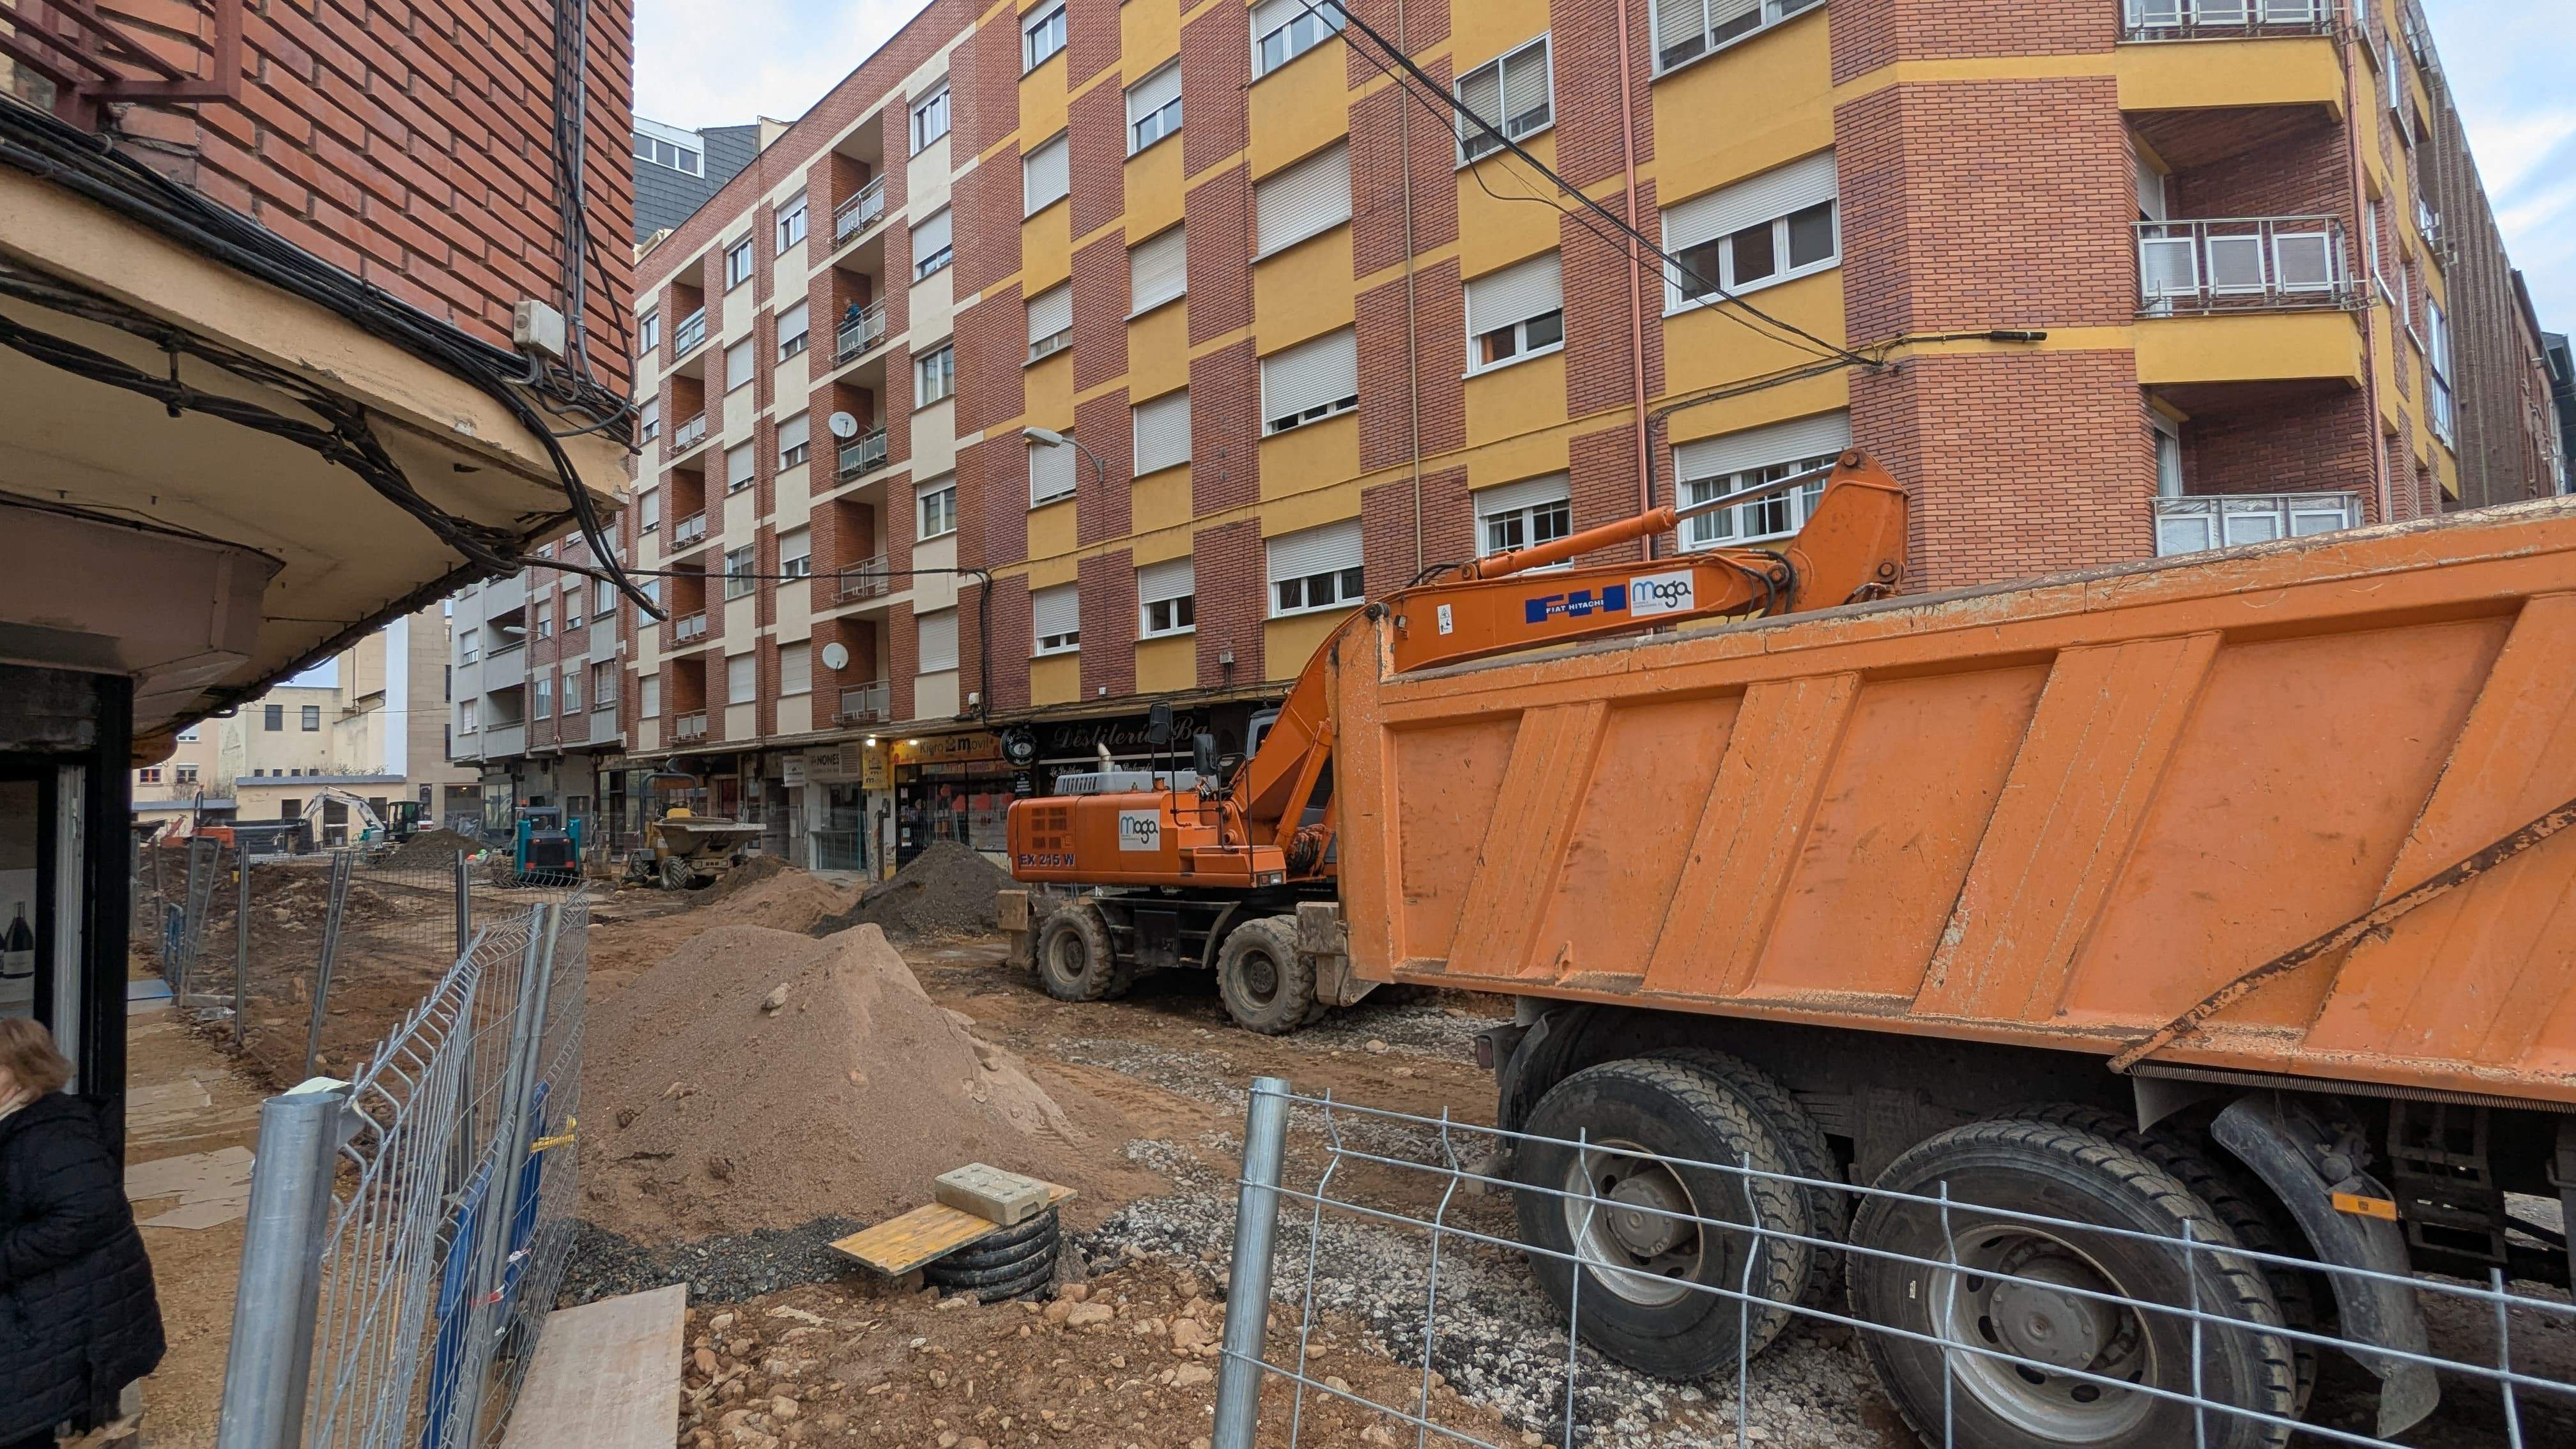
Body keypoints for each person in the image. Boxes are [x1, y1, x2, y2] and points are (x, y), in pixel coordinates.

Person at [0, 1019, 164, 1449]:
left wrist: (4, 1257)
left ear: (25, 1071)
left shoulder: (52, 1134)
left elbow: (88, 1214)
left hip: (55, 1318)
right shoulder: (18, 1123)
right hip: (45, 1312)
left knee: (22, 1425)